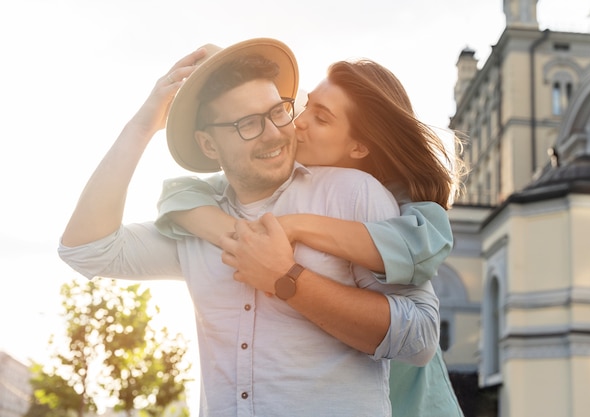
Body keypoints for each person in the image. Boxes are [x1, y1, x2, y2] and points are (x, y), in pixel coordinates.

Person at [58, 38, 440, 417]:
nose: (275, 133)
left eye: (278, 112)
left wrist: (288, 279)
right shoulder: (197, 219)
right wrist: (143, 125)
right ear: (208, 146)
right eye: (247, 124)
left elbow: (420, 340)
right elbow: (86, 250)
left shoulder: (355, 193)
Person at [154, 58, 465, 416]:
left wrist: (296, 227)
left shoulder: (398, 204)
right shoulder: (284, 182)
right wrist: (239, 236)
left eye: (320, 117)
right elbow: (178, 195)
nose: (296, 123)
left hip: (412, 405)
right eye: (303, 107)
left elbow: (418, 251)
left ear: (359, 147)